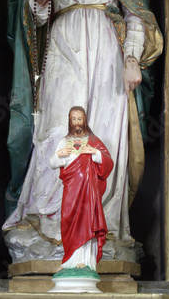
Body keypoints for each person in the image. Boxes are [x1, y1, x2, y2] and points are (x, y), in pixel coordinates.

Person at [3, 0, 163, 254]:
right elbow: (37, 23)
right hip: (63, 46)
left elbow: (136, 16)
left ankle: (99, 228)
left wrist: (130, 60)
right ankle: (52, 225)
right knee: (58, 128)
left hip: (108, 52)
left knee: (103, 135)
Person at [50, 106, 113, 270]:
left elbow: (108, 162)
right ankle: (69, 259)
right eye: (74, 119)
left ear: (84, 120)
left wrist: (95, 153)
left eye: (80, 119)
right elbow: (52, 163)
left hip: (88, 191)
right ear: (69, 121)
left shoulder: (93, 140)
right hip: (71, 189)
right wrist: (59, 155)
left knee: (87, 221)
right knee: (68, 220)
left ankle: (86, 261)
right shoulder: (64, 141)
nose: (77, 122)